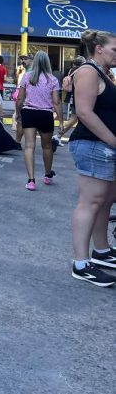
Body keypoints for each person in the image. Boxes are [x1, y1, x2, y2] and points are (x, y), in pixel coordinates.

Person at [68, 29, 116, 286]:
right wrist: (112, 140)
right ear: (99, 48)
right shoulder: (88, 72)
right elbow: (84, 113)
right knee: (91, 202)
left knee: (105, 200)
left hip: (103, 146)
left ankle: (101, 251)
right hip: (94, 145)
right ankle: (81, 263)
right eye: (114, 49)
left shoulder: (104, 73)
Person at [15, 51, 63, 190]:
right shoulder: (53, 80)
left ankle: (31, 180)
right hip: (45, 115)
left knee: (29, 146)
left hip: (29, 112)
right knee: (47, 147)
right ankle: (47, 175)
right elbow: (56, 102)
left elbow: (20, 98)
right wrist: (60, 121)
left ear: (35, 61)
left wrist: (18, 113)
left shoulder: (27, 76)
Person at [58, 56, 86, 144]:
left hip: (70, 95)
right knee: (74, 118)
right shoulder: (81, 72)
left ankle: (60, 135)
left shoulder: (70, 70)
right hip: (78, 97)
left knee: (76, 118)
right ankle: (58, 135)